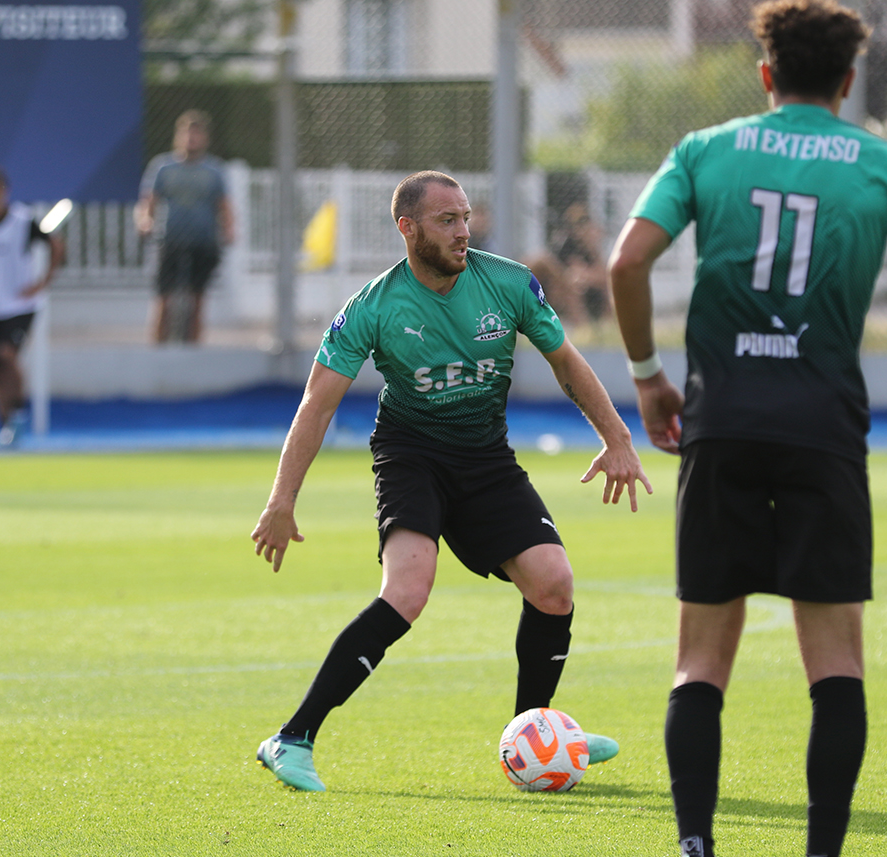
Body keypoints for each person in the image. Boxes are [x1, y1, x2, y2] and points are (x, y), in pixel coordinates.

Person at [606, 3, 887, 857]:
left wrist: (650, 377)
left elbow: (625, 263)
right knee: (835, 661)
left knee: (700, 659)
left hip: (721, 425)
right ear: (849, 82)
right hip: (823, 431)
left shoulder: (706, 151)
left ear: (764, 74)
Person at [252, 170, 653, 792]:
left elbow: (566, 361)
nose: (463, 231)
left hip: (485, 457)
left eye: (466, 217)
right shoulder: (374, 307)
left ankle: (537, 735)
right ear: (406, 228)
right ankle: (292, 737)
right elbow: (315, 406)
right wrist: (282, 501)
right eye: (447, 221)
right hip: (411, 455)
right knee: (408, 590)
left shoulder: (509, 283)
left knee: (553, 584)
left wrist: (618, 439)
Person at [0, 167, 64, 448]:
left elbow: (56, 244)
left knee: (7, 354)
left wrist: (42, 281)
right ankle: (4, 425)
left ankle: (19, 411)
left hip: (21, 304)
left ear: (4, 192)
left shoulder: (23, 220)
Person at [134, 110, 234, 344]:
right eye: (187, 134)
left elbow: (224, 206)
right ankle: (157, 349)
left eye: (197, 134)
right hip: (170, 240)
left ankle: (194, 351)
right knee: (164, 300)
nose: (192, 139)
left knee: (197, 300)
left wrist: (229, 229)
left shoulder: (214, 171)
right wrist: (145, 221)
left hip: (203, 241)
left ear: (205, 138)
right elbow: (149, 202)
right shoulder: (162, 167)